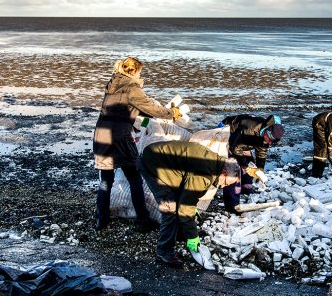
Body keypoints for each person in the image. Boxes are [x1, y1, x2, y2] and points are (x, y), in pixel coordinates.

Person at [92, 56, 181, 231]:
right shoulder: (132, 88)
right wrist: (172, 113)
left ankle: (101, 219)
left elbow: (132, 108)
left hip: (101, 134)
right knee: (134, 178)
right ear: (134, 71)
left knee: (106, 180)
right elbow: (151, 107)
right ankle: (143, 220)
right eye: (140, 71)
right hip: (119, 137)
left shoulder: (112, 84)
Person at [137, 140, 241, 267]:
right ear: (224, 172)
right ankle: (164, 252)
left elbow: (188, 191)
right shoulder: (205, 175)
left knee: (180, 206)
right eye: (226, 183)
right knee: (170, 208)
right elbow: (185, 208)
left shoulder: (216, 162)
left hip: (165, 164)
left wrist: (190, 208)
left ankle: (180, 235)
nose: (223, 186)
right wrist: (193, 236)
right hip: (153, 165)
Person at [220, 114, 284, 212]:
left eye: (272, 142)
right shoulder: (250, 130)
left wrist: (260, 169)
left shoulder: (266, 135)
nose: (270, 143)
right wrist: (245, 165)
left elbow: (262, 151)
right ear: (267, 132)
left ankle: (245, 192)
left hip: (243, 142)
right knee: (232, 169)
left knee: (251, 164)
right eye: (269, 140)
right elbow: (235, 148)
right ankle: (232, 206)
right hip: (228, 133)